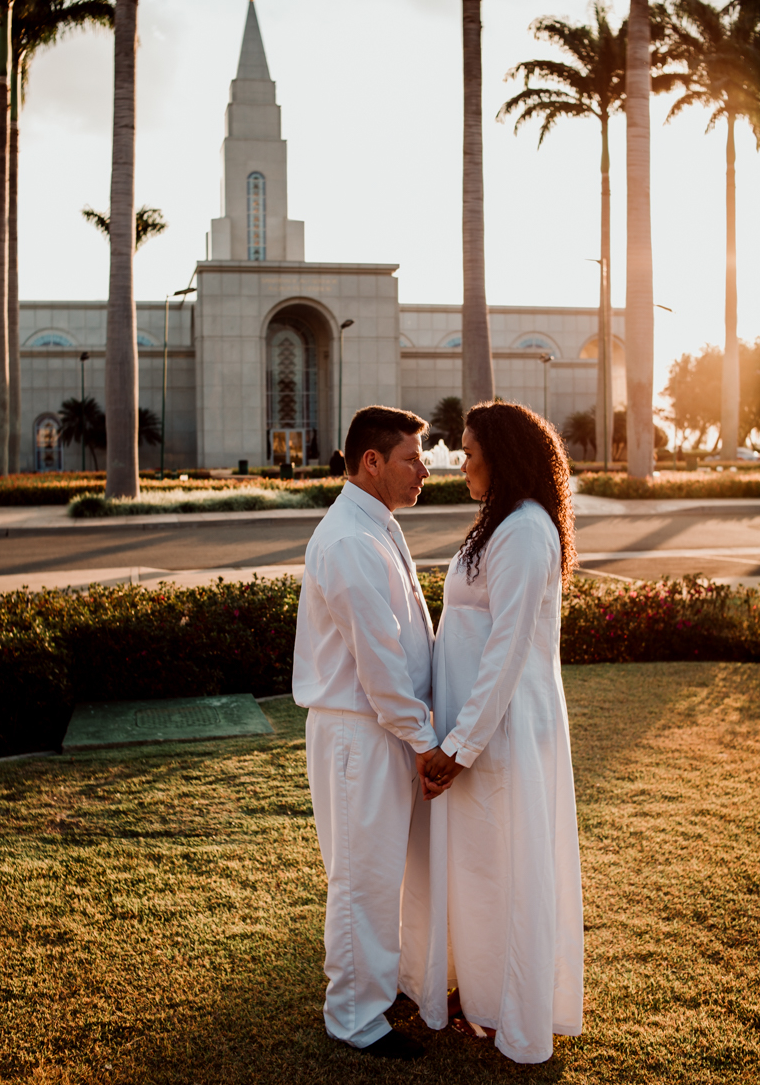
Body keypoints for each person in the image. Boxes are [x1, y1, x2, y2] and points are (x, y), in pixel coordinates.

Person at [399, 400, 584, 1064]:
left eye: (471, 452)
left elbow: (506, 652)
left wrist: (458, 747)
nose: (462, 461)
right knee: (480, 874)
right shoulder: (503, 523)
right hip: (478, 735)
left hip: (500, 738)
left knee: (507, 875)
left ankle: (516, 1016)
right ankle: (482, 1000)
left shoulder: (527, 531)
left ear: (501, 456)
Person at [293, 405, 438, 1061]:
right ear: (372, 462)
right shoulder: (351, 538)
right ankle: (354, 1017)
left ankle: (386, 986)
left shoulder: (375, 524)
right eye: (412, 458)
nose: (425, 471)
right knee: (361, 875)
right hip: (360, 732)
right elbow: (377, 658)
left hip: (381, 729)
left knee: (384, 871)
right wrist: (424, 739)